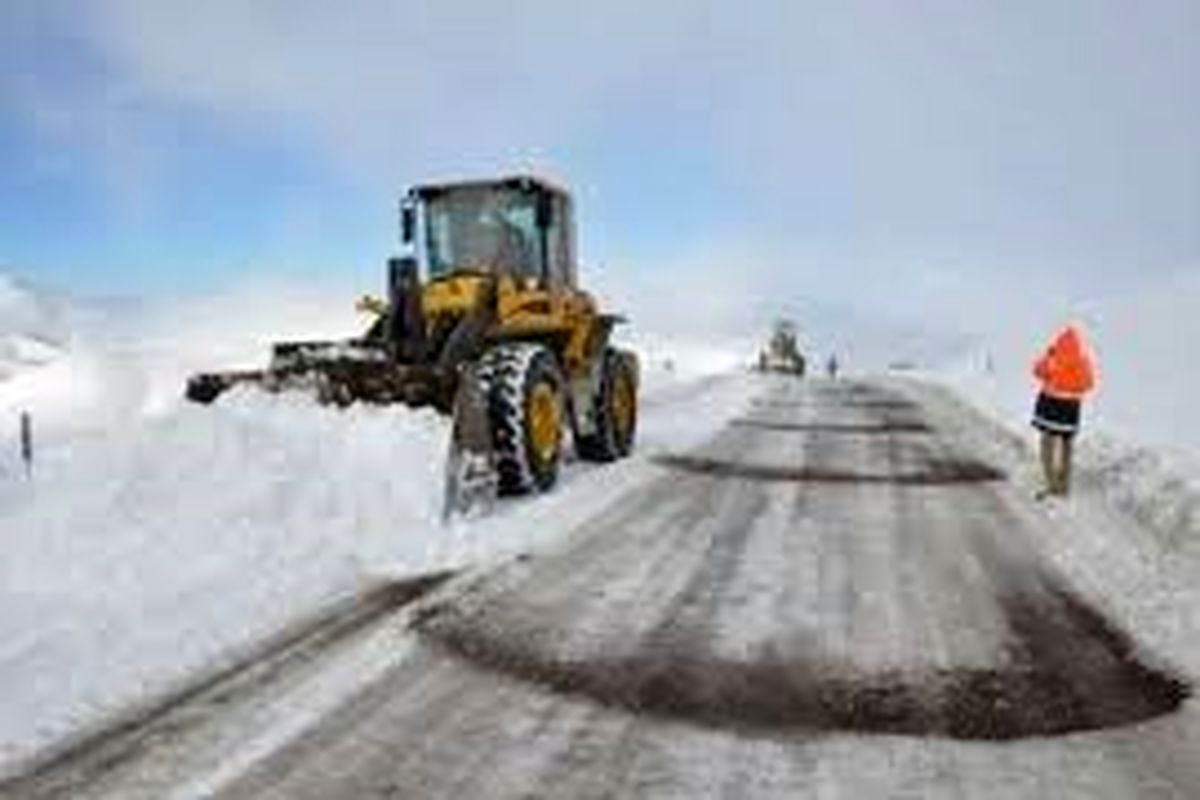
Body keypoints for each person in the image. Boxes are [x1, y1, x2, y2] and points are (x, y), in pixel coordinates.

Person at [1031, 324, 1096, 498]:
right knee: (1067, 447)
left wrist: (1050, 356)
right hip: (1071, 411)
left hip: (1051, 407)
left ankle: (1050, 481)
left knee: (1047, 444)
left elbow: (1037, 371)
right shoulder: (1083, 361)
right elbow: (1089, 384)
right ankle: (1064, 486)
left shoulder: (1053, 358)